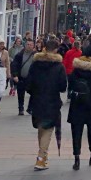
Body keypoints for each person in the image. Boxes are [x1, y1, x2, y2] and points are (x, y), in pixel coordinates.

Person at [27, 38, 67, 171]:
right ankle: (40, 158)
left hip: (37, 100)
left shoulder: (35, 64)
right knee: (48, 129)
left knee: (41, 127)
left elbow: (28, 84)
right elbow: (63, 87)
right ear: (55, 50)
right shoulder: (59, 66)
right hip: (52, 101)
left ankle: (43, 156)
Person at [67, 55, 91, 170]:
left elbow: (70, 87)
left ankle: (77, 159)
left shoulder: (75, 72)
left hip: (77, 105)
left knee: (76, 132)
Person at [11, 39, 37, 115]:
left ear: (33, 46)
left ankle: (30, 108)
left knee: (34, 93)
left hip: (31, 79)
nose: (29, 46)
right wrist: (15, 75)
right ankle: (21, 108)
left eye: (31, 45)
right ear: (25, 45)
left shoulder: (36, 56)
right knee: (20, 94)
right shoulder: (19, 55)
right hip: (21, 78)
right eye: (28, 44)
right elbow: (14, 65)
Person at [0, 41, 11, 113]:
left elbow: (7, 63)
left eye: (3, 44)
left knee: (1, 89)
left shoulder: (5, 52)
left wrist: (8, 73)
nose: (2, 45)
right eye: (1, 44)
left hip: (2, 72)